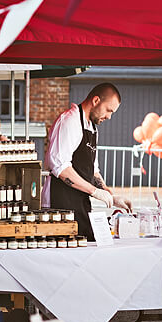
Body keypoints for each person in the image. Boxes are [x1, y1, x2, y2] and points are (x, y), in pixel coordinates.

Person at [42, 82, 132, 240]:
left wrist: (111, 195)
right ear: (96, 100)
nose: (109, 117)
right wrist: (94, 192)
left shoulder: (92, 127)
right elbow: (60, 167)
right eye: (108, 110)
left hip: (80, 202)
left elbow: (94, 170)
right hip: (59, 205)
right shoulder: (69, 121)